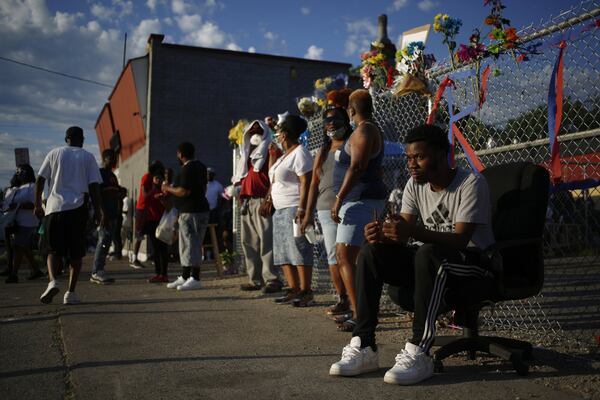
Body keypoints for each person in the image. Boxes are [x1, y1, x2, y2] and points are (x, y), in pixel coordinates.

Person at [329, 124, 498, 385]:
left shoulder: (471, 183)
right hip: (431, 261)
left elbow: (461, 240)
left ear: (442, 155)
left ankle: (419, 351)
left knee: (428, 253)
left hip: (473, 264)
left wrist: (412, 232)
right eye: (409, 158)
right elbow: (405, 232)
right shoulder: (414, 185)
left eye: (419, 157)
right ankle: (364, 345)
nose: (412, 164)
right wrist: (382, 235)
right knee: (372, 253)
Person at [330, 89, 387, 331]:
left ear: (352, 110)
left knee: (346, 257)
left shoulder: (364, 130)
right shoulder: (365, 129)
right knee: (350, 257)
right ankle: (359, 312)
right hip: (358, 201)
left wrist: (339, 198)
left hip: (360, 201)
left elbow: (358, 166)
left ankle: (360, 315)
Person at [35, 126, 103, 305]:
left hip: (54, 208)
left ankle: (52, 281)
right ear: (82, 139)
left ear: (66, 139)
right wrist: (98, 210)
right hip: (77, 209)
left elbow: (40, 179)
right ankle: (70, 293)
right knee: (76, 254)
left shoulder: (54, 153)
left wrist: (37, 204)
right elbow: (94, 186)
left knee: (52, 250)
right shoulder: (88, 157)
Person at [301, 106, 353, 317]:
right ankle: (343, 298)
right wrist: (307, 213)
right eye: (327, 120)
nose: (331, 123)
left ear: (346, 121)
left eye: (336, 119)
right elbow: (313, 184)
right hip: (324, 208)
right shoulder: (322, 152)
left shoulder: (352, 145)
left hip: (349, 206)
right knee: (333, 255)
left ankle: (357, 299)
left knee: (348, 255)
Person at [268, 114, 314, 306]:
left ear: (285, 135)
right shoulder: (283, 156)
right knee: (282, 251)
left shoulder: (300, 153)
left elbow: (306, 181)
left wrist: (302, 208)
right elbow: (275, 178)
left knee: (299, 249)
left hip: (294, 206)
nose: (277, 136)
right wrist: (272, 157)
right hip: (280, 210)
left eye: (278, 132)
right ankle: (293, 288)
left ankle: (305, 291)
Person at [232, 119, 282, 293]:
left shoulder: (270, 150)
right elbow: (241, 177)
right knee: (249, 242)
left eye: (258, 131)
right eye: (251, 132)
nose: (255, 134)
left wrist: (269, 199)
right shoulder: (246, 153)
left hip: (263, 200)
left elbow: (275, 176)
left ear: (265, 133)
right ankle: (255, 280)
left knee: (266, 242)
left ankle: (272, 280)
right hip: (247, 202)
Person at [162, 142, 209, 291]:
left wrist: (167, 188)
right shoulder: (201, 166)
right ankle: (185, 275)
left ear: (181, 154)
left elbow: (184, 191)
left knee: (191, 244)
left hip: (191, 211)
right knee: (189, 244)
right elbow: (204, 188)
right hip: (200, 209)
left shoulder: (186, 169)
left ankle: (195, 278)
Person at [3, 164, 44, 283]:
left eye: (22, 172)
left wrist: (18, 205)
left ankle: (14, 274)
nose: (19, 174)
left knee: (18, 245)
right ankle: (36, 270)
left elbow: (35, 204)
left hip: (28, 221)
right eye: (18, 172)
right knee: (23, 247)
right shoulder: (16, 188)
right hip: (15, 220)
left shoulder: (33, 187)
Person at [90, 149, 125, 284]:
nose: (115, 161)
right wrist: (101, 213)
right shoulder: (100, 174)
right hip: (105, 215)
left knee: (106, 241)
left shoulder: (112, 175)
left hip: (113, 214)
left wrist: (119, 192)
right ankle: (96, 271)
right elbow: (97, 195)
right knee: (103, 241)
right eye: (113, 158)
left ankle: (100, 269)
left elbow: (113, 193)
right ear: (106, 158)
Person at [131, 160, 164, 268]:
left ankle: (156, 258)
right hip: (142, 208)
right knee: (139, 234)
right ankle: (134, 259)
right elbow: (145, 195)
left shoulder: (156, 179)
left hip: (150, 210)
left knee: (154, 234)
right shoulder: (147, 177)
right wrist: (154, 190)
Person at [145, 171, 170, 283]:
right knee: (156, 249)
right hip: (152, 223)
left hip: (163, 223)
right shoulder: (150, 192)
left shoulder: (165, 191)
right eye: (156, 178)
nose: (158, 180)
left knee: (163, 249)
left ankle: (164, 274)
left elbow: (169, 207)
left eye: (160, 177)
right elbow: (144, 206)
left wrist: (163, 200)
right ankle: (157, 273)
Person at [204, 167, 224, 259]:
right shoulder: (202, 184)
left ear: (214, 175)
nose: (209, 175)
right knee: (204, 233)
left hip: (213, 213)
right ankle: (204, 254)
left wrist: (220, 207)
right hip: (203, 212)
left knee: (214, 233)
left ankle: (214, 254)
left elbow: (224, 196)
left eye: (211, 174)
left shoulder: (217, 185)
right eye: (207, 173)